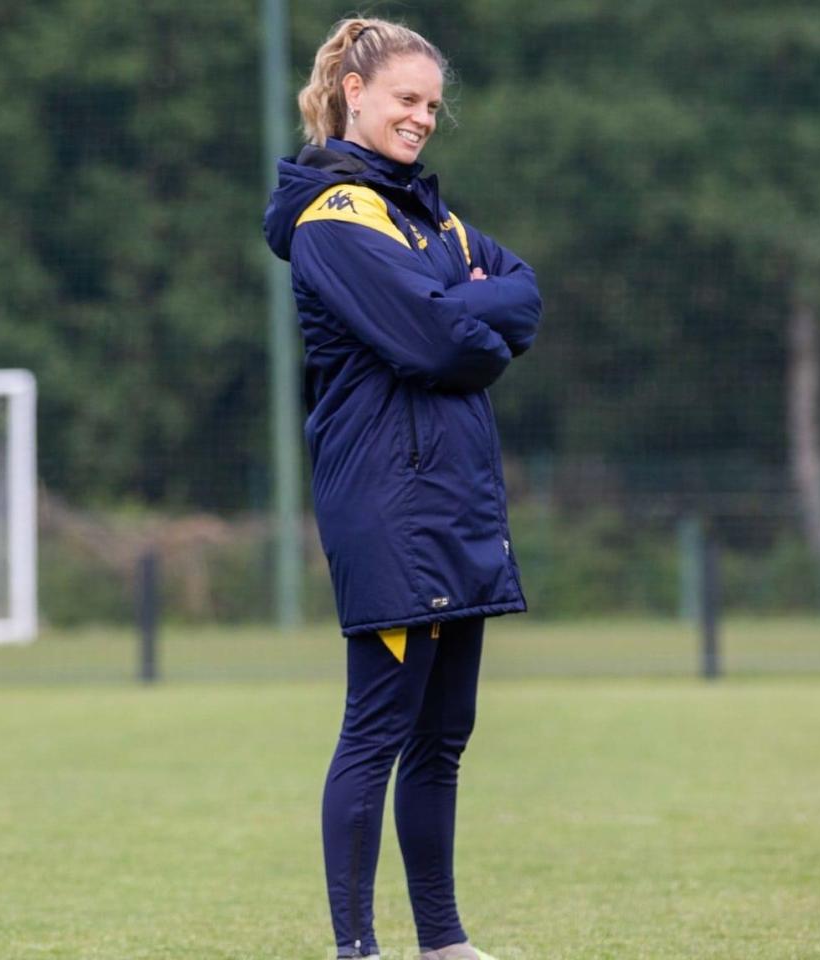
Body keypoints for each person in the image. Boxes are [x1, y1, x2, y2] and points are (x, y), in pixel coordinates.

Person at [262, 17, 542, 960]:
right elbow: (441, 343)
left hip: (456, 502)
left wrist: (457, 304)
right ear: (352, 94)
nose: (422, 118)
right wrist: (460, 308)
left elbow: (525, 294)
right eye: (405, 101)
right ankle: (356, 951)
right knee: (377, 731)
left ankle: (444, 943)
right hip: (391, 509)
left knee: (445, 738)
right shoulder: (334, 220)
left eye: (432, 104)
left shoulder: (431, 218)